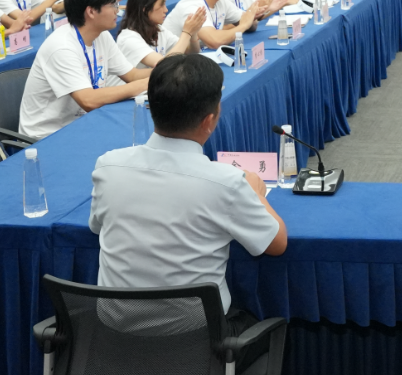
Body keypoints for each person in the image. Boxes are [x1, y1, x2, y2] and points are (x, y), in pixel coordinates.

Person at [89, 53, 287, 344]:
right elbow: (277, 244)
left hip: (116, 335)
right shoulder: (227, 182)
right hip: (198, 338)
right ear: (209, 120)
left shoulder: (108, 166)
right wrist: (255, 191)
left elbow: (96, 227)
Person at [19, 0, 150, 138]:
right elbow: (89, 101)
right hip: (48, 136)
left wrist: (167, 70)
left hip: (84, 123)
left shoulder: (102, 35)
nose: (118, 10)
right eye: (113, 5)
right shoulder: (62, 47)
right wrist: (146, 83)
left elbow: (132, 75)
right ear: (91, 11)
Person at [117, 0, 205, 69]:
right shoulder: (128, 39)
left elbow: (191, 52)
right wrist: (187, 32)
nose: (166, 10)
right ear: (145, 9)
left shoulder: (158, 29)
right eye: (161, 5)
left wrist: (193, 33)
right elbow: (163, 66)